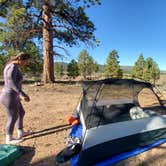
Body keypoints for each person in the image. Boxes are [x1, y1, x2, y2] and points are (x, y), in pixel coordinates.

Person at [0, 52, 31, 144]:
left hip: (13, 95)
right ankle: (9, 139)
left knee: (21, 112)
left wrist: (18, 95)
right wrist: (22, 94)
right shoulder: (12, 67)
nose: (27, 64)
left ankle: (20, 132)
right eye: (26, 61)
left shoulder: (12, 66)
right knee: (13, 117)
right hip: (9, 96)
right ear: (20, 59)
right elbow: (11, 82)